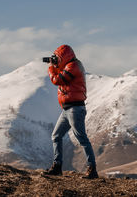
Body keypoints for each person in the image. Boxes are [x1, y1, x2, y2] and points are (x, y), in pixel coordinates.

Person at [42, 44, 98, 179]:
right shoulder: (69, 66)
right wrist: (56, 65)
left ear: (64, 57)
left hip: (75, 108)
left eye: (58, 58)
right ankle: (57, 167)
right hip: (67, 109)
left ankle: (92, 170)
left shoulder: (73, 67)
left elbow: (57, 80)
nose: (56, 61)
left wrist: (51, 67)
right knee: (56, 136)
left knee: (81, 138)